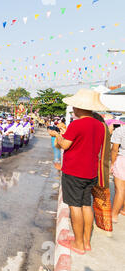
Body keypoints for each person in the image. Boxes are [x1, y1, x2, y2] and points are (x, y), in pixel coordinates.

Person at [49, 89, 108, 255]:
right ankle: (86, 241)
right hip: (90, 172)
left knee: (75, 207)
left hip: (75, 171)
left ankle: (79, 243)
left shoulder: (77, 124)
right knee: (85, 205)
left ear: (79, 107)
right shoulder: (100, 125)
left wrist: (56, 135)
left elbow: (65, 145)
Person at [111, 124, 125, 223]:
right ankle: (124, 209)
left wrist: (112, 162)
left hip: (122, 159)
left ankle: (114, 215)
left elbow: (114, 149)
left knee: (119, 189)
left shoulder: (120, 130)